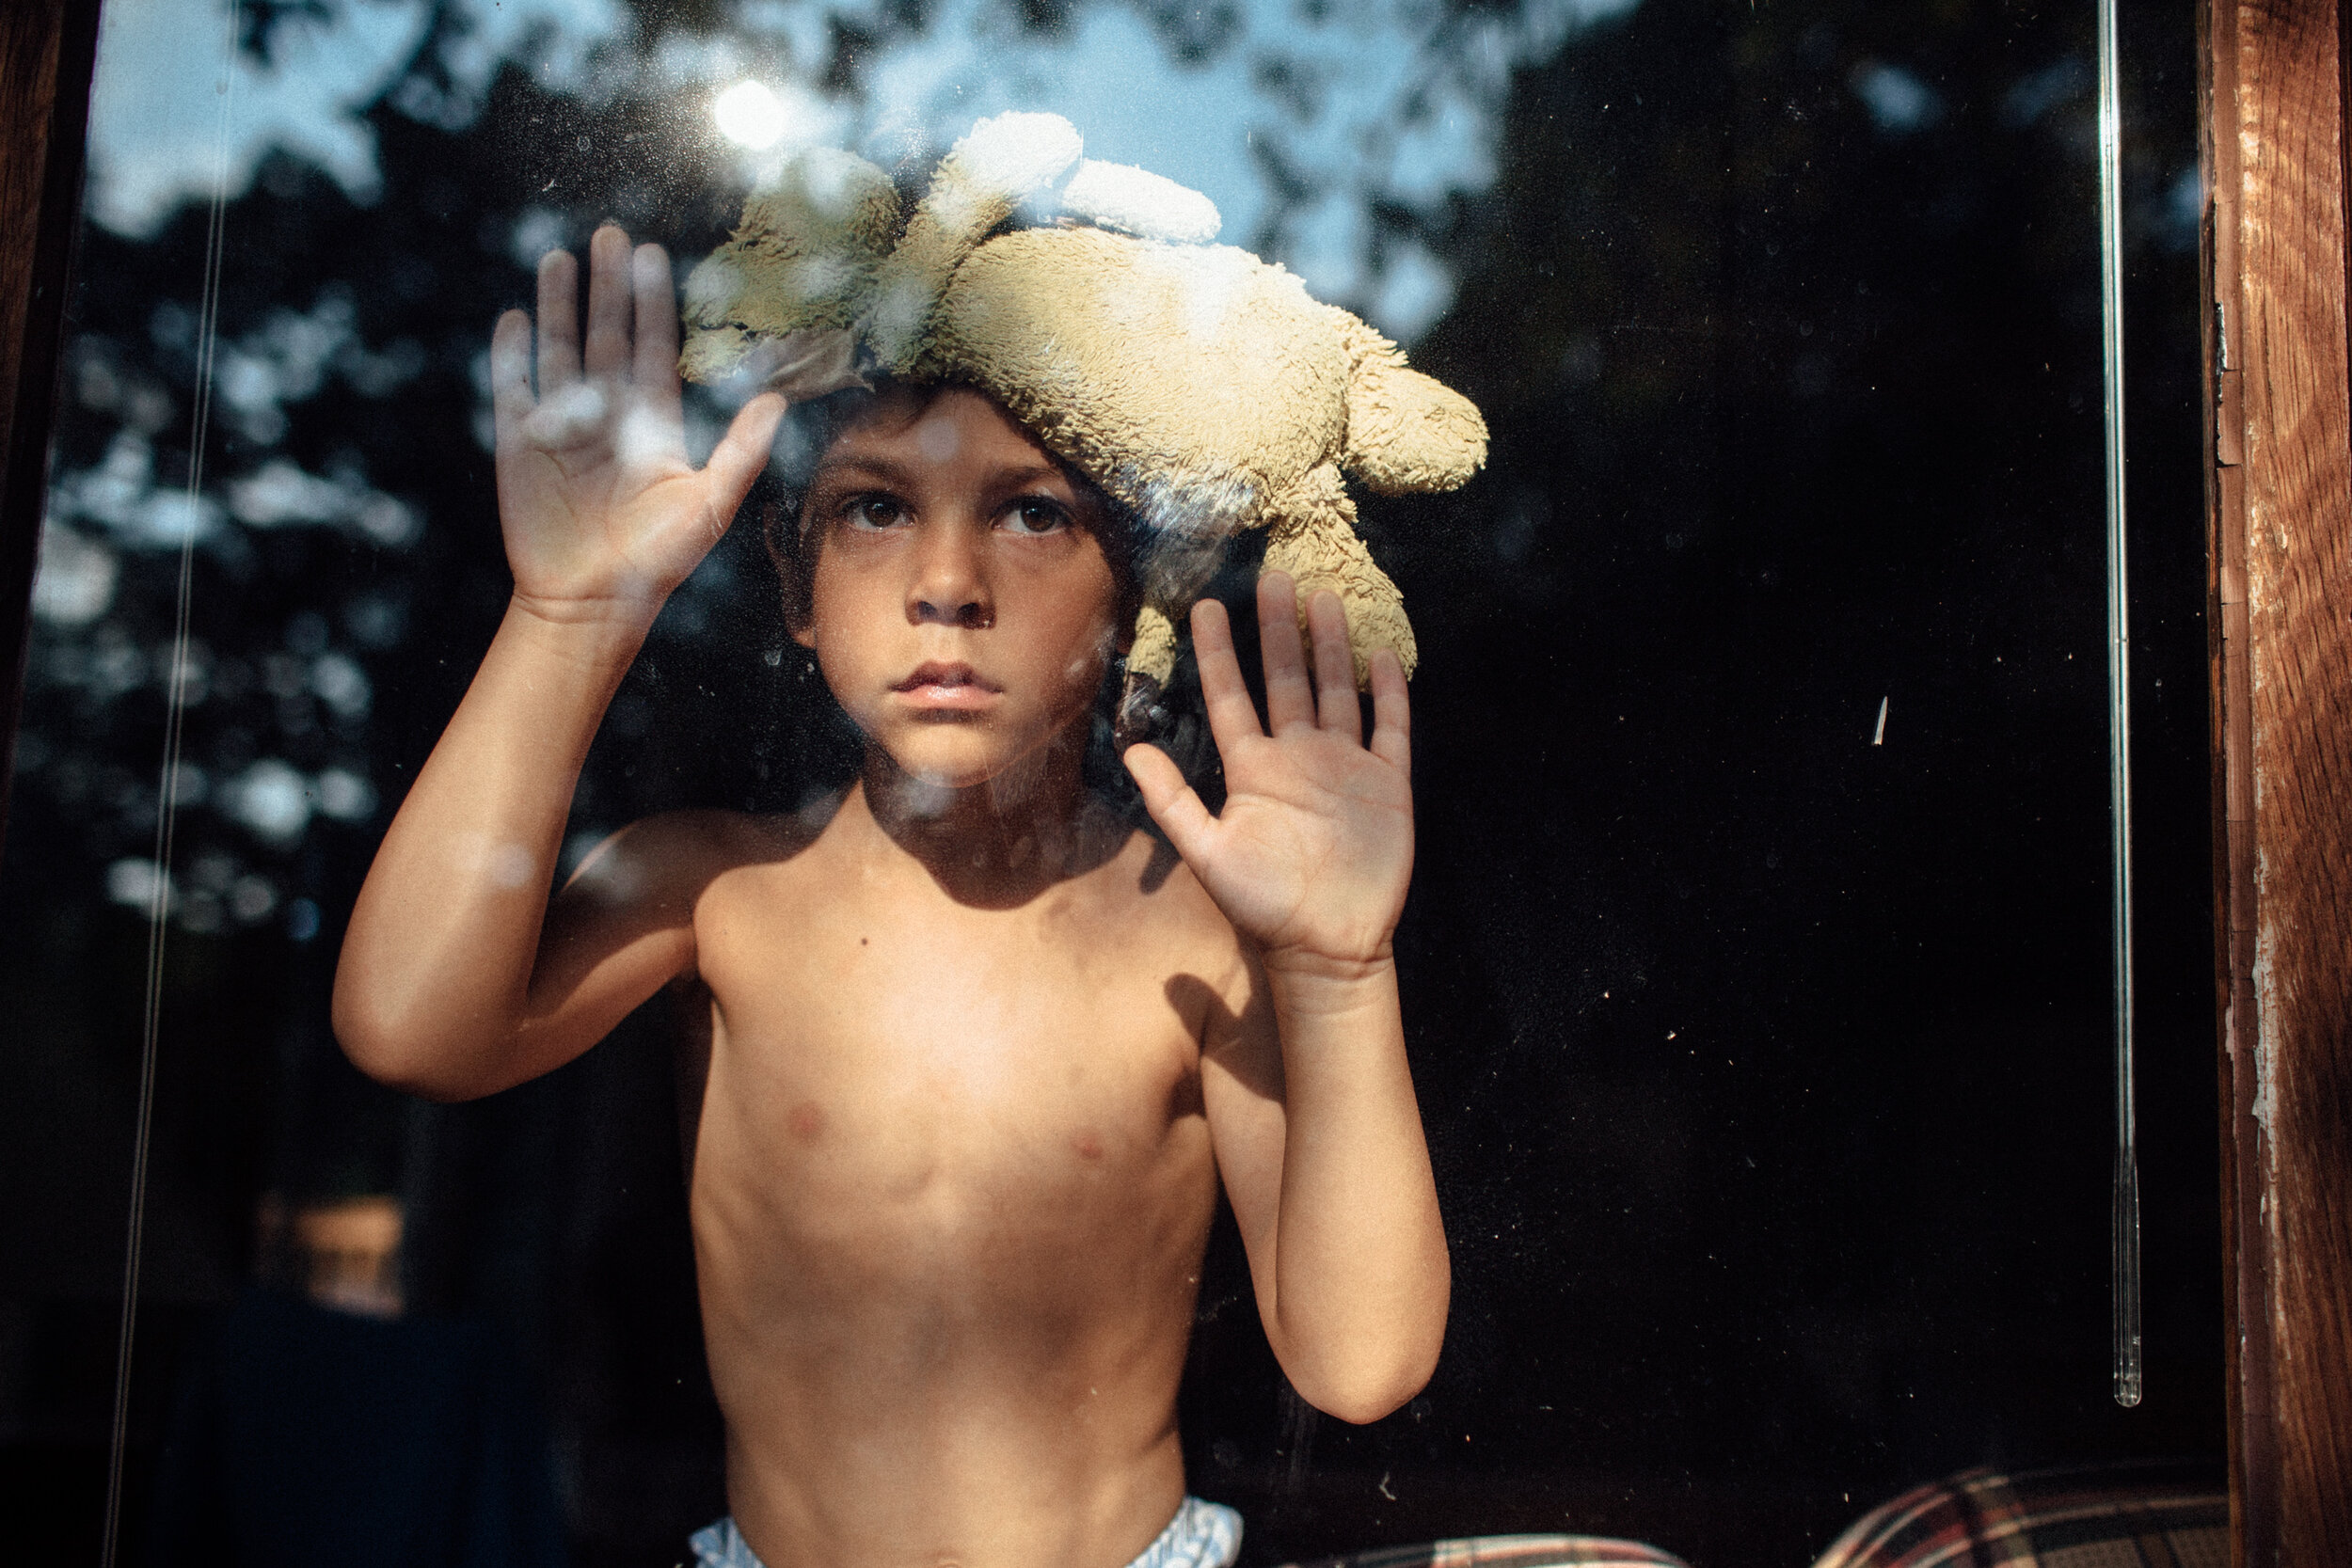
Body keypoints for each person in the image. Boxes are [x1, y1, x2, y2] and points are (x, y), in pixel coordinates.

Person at [333, 203, 1448, 1568]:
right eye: (873, 507)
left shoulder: (1200, 932)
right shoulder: (719, 891)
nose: (946, 582)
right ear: (794, 587)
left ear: (1126, 598)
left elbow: (1361, 1364)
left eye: (1033, 513)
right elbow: (407, 1027)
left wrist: (1337, 973)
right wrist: (567, 619)